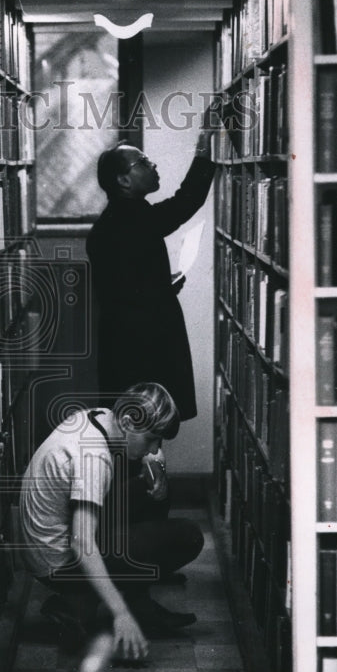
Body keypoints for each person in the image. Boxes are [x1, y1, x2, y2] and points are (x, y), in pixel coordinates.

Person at [85, 108, 218, 548]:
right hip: (140, 355)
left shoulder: (121, 221)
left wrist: (162, 286)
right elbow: (186, 203)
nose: (153, 166)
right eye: (143, 162)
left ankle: (145, 549)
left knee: (141, 448)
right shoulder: (130, 219)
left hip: (131, 349)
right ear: (123, 180)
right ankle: (144, 552)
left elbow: (127, 289)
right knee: (142, 448)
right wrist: (206, 145)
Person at [19, 382, 204, 660]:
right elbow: (82, 543)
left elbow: (148, 462)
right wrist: (121, 615)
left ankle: (102, 602)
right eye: (151, 439)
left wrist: (157, 466)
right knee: (187, 536)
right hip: (59, 563)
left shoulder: (100, 417)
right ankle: (87, 602)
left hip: (48, 543)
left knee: (152, 491)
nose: (154, 448)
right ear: (129, 422)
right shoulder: (95, 457)